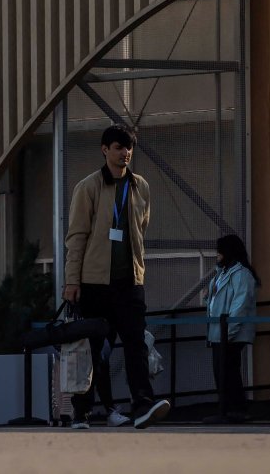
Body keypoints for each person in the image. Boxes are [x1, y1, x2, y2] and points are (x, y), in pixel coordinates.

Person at [62, 125, 170, 429]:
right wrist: (72, 281)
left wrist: (138, 270)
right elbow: (77, 236)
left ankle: (143, 406)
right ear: (104, 150)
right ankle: (80, 411)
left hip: (130, 282)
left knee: (136, 344)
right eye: (119, 147)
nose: (125, 153)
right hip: (95, 283)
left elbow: (141, 228)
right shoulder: (89, 187)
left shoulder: (141, 187)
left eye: (129, 148)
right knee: (92, 349)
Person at [202, 234, 258, 424]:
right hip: (220, 332)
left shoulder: (241, 274)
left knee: (228, 370)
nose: (217, 255)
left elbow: (240, 305)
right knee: (223, 370)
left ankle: (235, 409)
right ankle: (229, 409)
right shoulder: (222, 273)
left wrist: (229, 330)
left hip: (229, 333)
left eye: (220, 251)